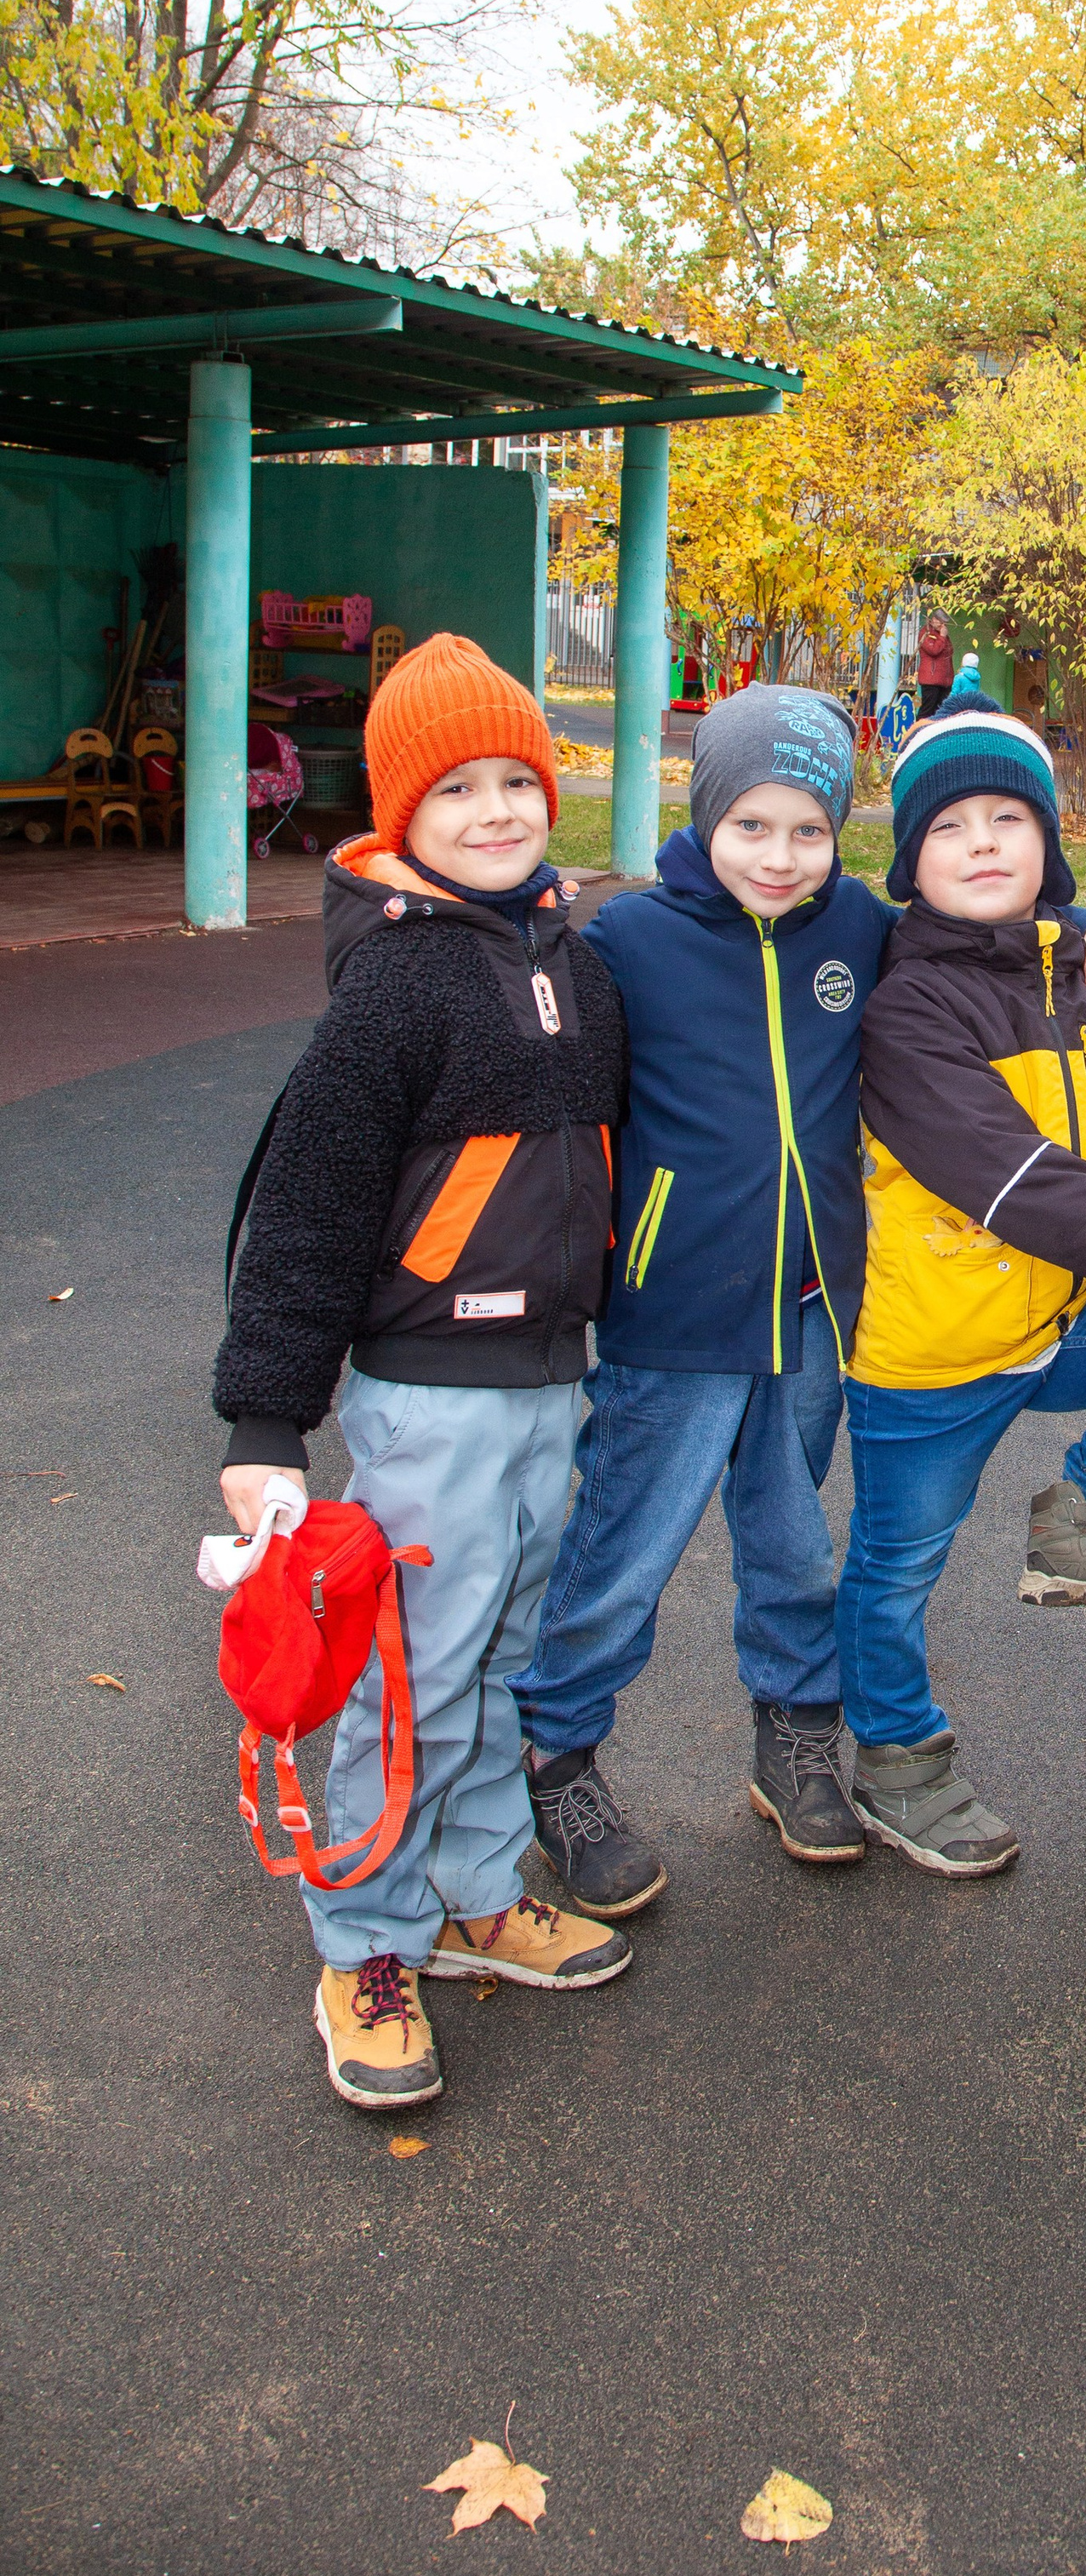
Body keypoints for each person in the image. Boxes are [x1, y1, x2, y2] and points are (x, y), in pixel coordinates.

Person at [510, 685, 1086, 1912]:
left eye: (809, 831)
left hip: (807, 1311)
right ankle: (560, 1753)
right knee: (623, 1554)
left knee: (794, 1541)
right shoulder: (628, 945)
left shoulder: (857, 925)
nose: (781, 858)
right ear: (708, 819)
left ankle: (796, 1737)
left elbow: (986, 917)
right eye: (754, 828)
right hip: (672, 1319)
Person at [213, 634, 633, 2115]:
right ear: (402, 811)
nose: (499, 808)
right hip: (430, 1391)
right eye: (458, 788)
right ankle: (366, 1946)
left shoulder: (571, 961)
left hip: (550, 1383)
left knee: (505, 1661)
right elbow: (310, 1205)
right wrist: (268, 1419)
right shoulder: (393, 987)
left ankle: (468, 1894)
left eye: (519, 777)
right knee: (418, 1680)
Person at [833, 688, 1086, 1875]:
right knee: (896, 1563)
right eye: (949, 826)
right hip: (936, 1348)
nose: (980, 844)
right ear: (912, 860)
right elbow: (1006, 1175)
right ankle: (898, 1764)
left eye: (1006, 820)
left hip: (1061, 1319)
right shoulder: (910, 1005)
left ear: (1048, 848)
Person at [915, 612, 955, 718]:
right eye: (940, 621)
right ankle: (919, 732)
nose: (942, 625)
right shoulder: (926, 633)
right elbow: (933, 650)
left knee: (940, 712)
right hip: (931, 679)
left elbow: (949, 653)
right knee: (927, 710)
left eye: (944, 622)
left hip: (944, 680)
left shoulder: (942, 634)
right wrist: (942, 637)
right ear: (932, 619)